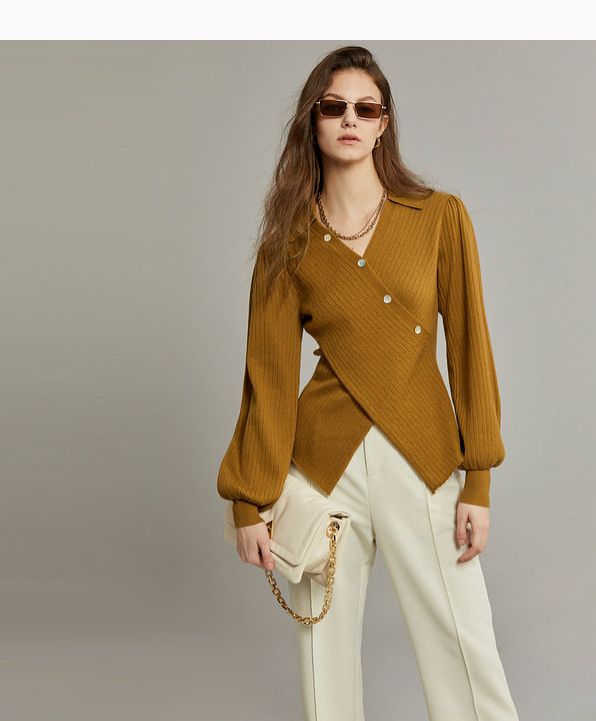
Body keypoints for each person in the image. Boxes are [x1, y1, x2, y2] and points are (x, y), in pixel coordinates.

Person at [217, 45, 521, 721]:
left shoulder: (439, 217)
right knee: (323, 667)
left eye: (365, 108)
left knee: (466, 651)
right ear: (313, 121)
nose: (349, 119)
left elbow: (471, 349)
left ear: (384, 124)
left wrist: (477, 480)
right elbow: (268, 376)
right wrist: (249, 499)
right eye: (334, 107)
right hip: (324, 469)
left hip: (423, 456)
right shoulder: (287, 240)